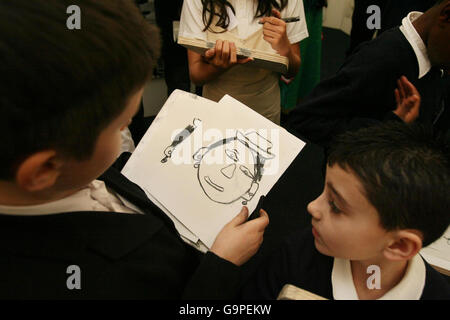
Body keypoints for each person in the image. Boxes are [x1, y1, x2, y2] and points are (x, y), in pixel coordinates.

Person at [0, 0, 269, 299]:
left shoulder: (68, 170)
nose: (128, 131)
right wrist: (221, 266)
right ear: (45, 169)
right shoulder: (128, 269)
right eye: (120, 127)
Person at [242, 121, 450, 300]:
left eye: (335, 206)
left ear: (399, 244)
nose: (312, 207)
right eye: (324, 191)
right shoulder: (295, 257)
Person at [288, 0, 450, 147]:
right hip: (382, 45)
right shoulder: (381, 58)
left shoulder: (435, 57)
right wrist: (367, 41)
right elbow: (308, 119)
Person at [179, 0, 309, 124]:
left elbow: (292, 72)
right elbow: (196, 75)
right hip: (216, 110)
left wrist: (285, 49)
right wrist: (219, 67)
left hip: (265, 114)